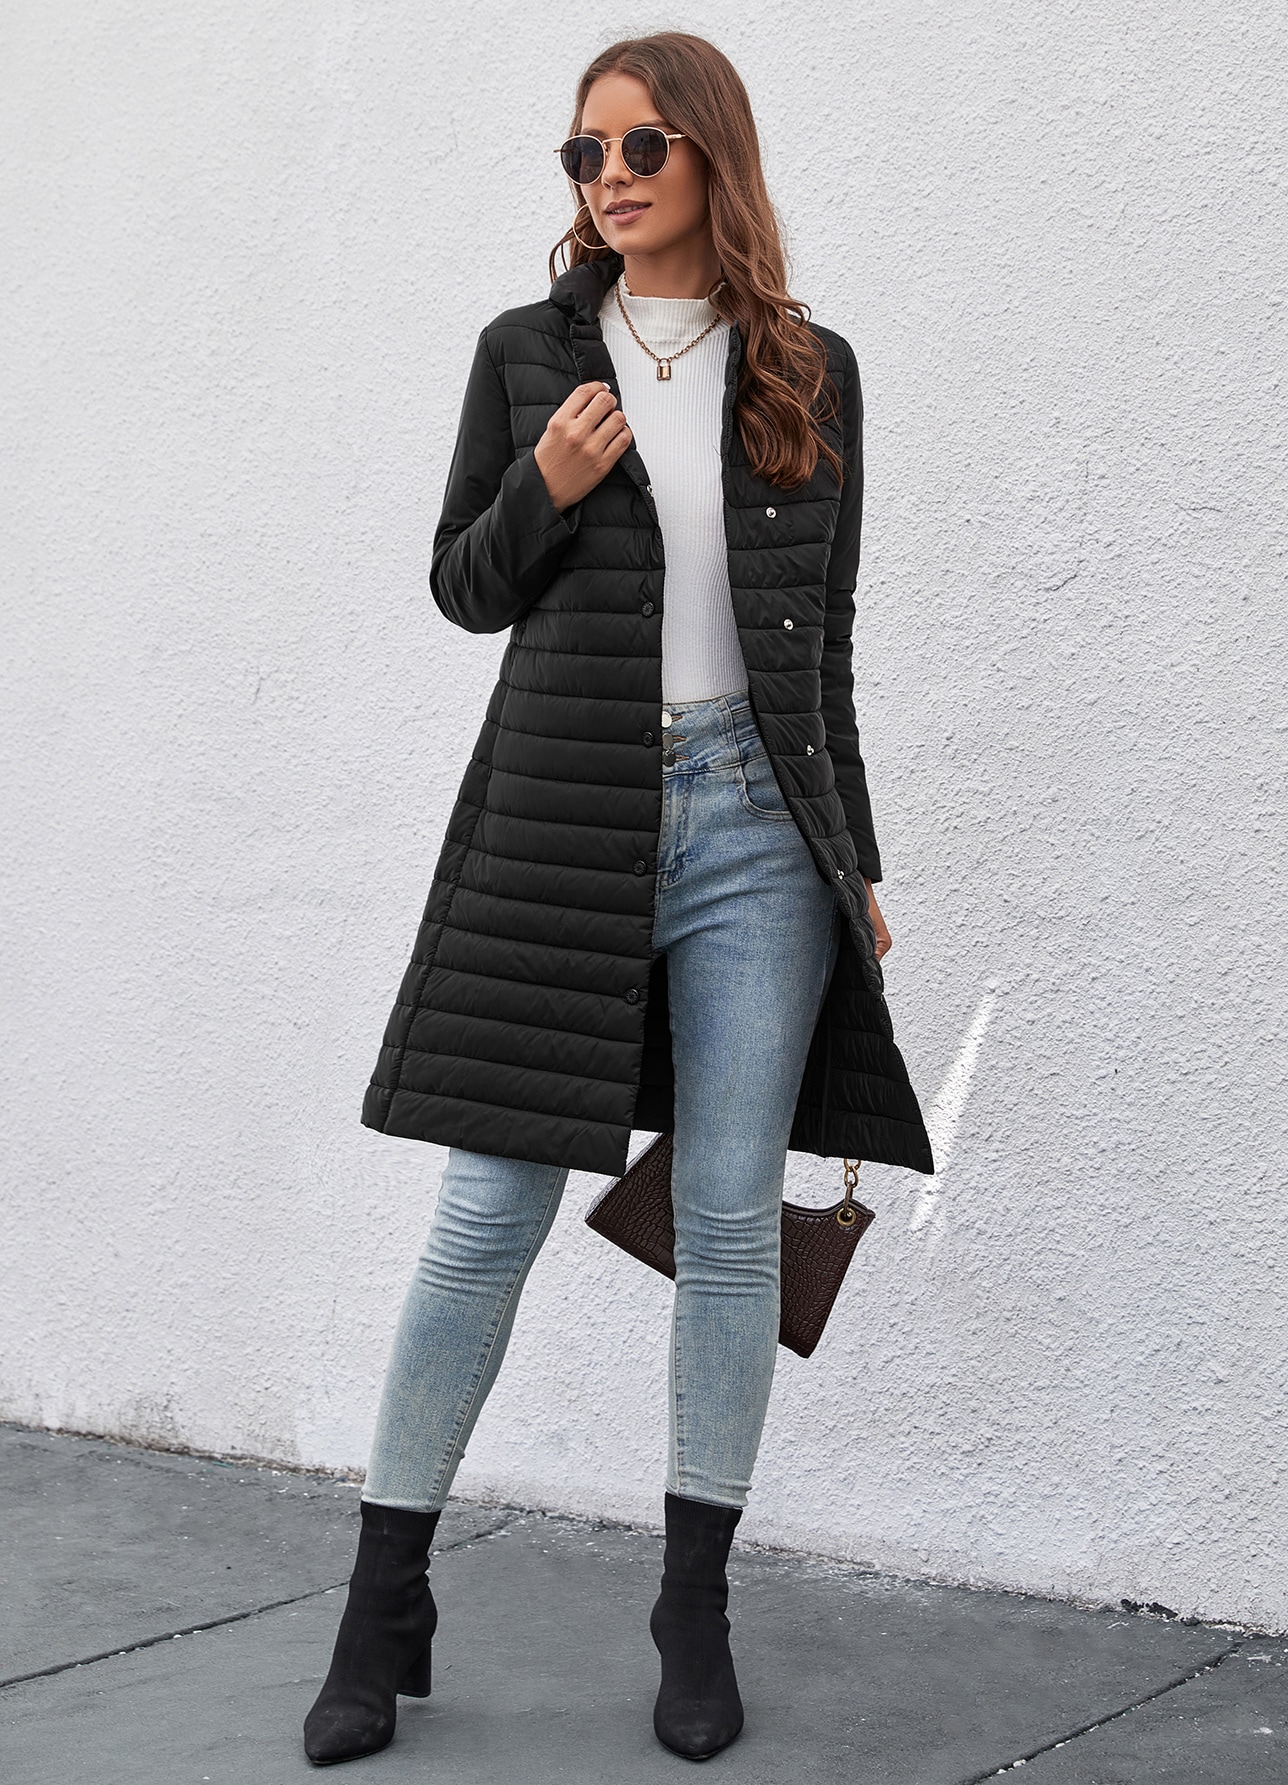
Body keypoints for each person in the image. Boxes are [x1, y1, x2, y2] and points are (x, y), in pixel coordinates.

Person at [304, 30, 932, 1769]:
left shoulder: (810, 367)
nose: (612, 176)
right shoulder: (528, 355)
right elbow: (463, 584)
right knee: (483, 1215)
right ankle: (380, 1601)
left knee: (727, 1221)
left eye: (644, 144)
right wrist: (547, 488)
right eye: (585, 152)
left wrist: (856, 854)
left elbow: (824, 643)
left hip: (759, 830)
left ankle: (692, 1608)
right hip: (561, 818)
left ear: (713, 152)